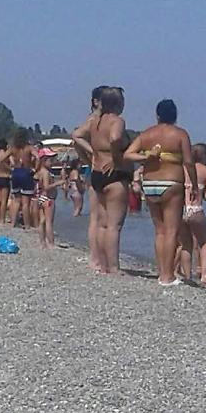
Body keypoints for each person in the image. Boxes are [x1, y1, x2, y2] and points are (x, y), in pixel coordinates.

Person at [124, 99, 198, 286]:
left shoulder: (147, 134)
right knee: (171, 231)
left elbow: (127, 155)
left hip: (149, 184)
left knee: (159, 231)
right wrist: (194, 185)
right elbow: (189, 162)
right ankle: (168, 276)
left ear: (157, 115)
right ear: (175, 115)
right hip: (171, 183)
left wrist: (146, 156)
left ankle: (161, 273)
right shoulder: (180, 134)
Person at [72, 87, 130, 274]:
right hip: (114, 174)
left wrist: (91, 152)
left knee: (102, 223)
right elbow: (115, 138)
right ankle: (113, 266)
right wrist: (116, 158)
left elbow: (76, 135)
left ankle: (103, 263)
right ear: (118, 103)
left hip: (96, 173)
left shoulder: (94, 121)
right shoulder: (117, 121)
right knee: (114, 225)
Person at [71, 85, 108, 269]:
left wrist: (88, 157)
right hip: (96, 169)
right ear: (96, 102)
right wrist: (93, 153)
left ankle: (98, 256)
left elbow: (77, 141)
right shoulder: (95, 119)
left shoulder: (98, 120)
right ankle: (96, 257)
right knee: (97, 217)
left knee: (100, 217)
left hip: (93, 169)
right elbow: (76, 137)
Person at [178, 142, 206, 286]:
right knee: (204, 242)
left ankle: (187, 276)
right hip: (196, 209)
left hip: (182, 210)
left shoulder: (182, 169)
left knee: (186, 244)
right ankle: (204, 276)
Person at [9, 127, 38, 229]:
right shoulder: (29, 148)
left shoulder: (13, 148)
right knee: (26, 202)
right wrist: (35, 169)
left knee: (16, 200)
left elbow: (3, 157)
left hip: (16, 172)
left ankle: (13, 223)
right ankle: (27, 225)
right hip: (26, 172)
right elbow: (38, 157)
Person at [35, 149, 63, 248]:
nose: (52, 163)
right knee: (49, 222)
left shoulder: (40, 171)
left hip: (41, 198)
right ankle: (51, 243)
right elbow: (46, 187)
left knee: (42, 221)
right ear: (44, 160)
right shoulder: (46, 172)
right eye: (50, 160)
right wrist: (58, 183)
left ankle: (42, 242)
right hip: (48, 199)